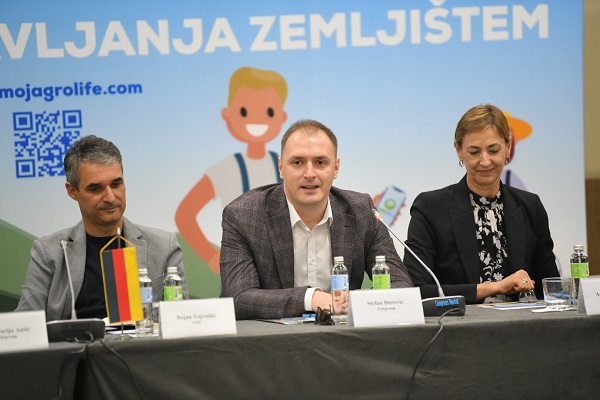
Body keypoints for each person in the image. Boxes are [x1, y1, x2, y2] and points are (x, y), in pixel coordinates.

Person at [220, 119, 413, 320]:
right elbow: (238, 298)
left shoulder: (362, 211)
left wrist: (350, 302)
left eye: (320, 162)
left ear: (336, 168)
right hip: (269, 337)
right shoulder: (244, 215)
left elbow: (400, 286)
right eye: (297, 162)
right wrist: (312, 298)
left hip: (343, 335)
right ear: (281, 167)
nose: (310, 174)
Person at [15, 135, 188, 321]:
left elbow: (181, 321)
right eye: (96, 188)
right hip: (76, 339)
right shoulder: (49, 252)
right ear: (72, 191)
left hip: (139, 339)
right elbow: (26, 324)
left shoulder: (164, 246)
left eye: (116, 184)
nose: (110, 197)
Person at [404, 104, 558, 304]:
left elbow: (551, 287)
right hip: (457, 321)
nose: (485, 161)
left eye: (493, 150)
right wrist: (495, 287)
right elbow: (414, 289)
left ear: (508, 148)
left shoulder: (531, 207)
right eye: (474, 152)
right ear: (458, 151)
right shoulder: (430, 208)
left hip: (521, 321)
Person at [176, 67, 288, 274]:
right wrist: (210, 256)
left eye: (268, 112)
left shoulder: (288, 165)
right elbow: (185, 214)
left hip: (285, 269)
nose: (257, 120)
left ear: (281, 117)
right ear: (227, 114)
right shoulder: (226, 169)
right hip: (241, 269)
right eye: (244, 111)